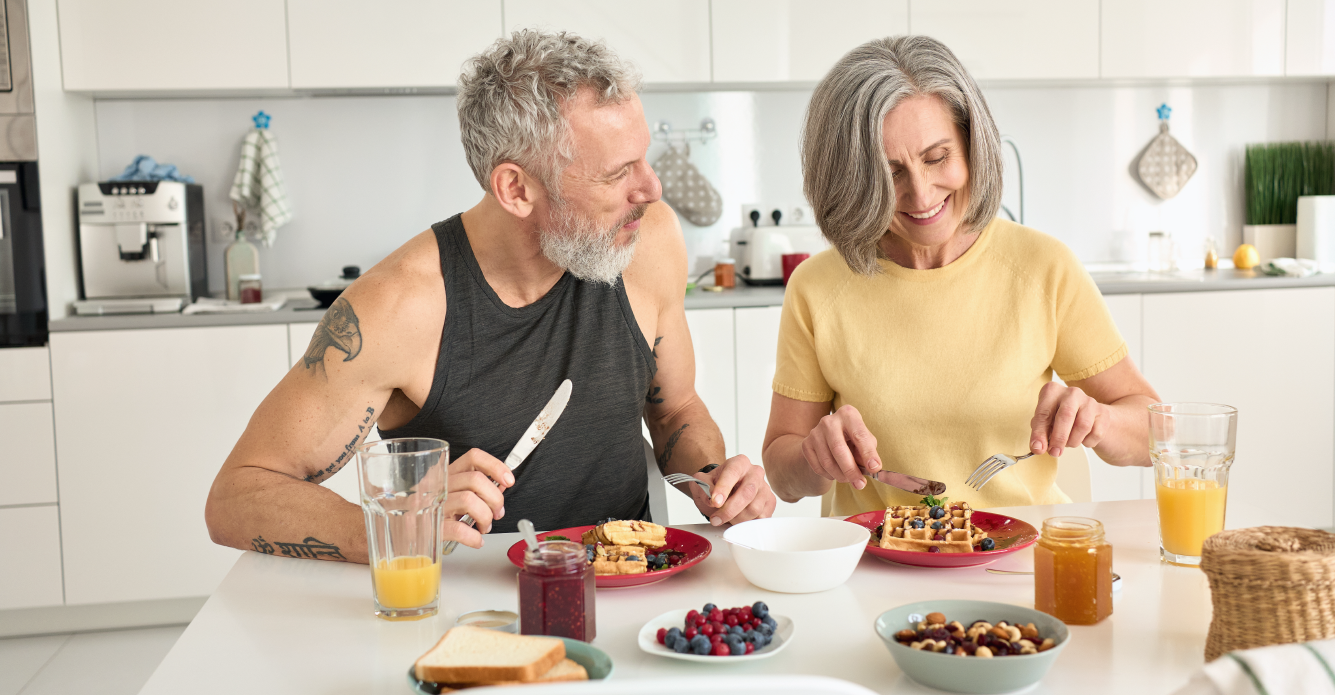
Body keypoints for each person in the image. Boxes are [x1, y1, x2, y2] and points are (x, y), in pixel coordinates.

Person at [205, 30, 776, 564]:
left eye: (643, 158)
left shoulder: (647, 238)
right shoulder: (401, 305)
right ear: (516, 189)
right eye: (618, 172)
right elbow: (237, 495)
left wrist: (713, 481)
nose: (652, 188)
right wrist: (397, 525)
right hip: (468, 600)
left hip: (633, 577)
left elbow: (676, 407)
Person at [761, 36, 1161, 515]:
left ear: (973, 145)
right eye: (889, 174)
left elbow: (1154, 432)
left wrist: (1100, 422)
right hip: (874, 564)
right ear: (852, 180)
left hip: (1023, 553)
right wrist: (813, 458)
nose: (922, 193)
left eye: (937, 158)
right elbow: (783, 476)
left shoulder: (1044, 268)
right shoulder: (817, 288)